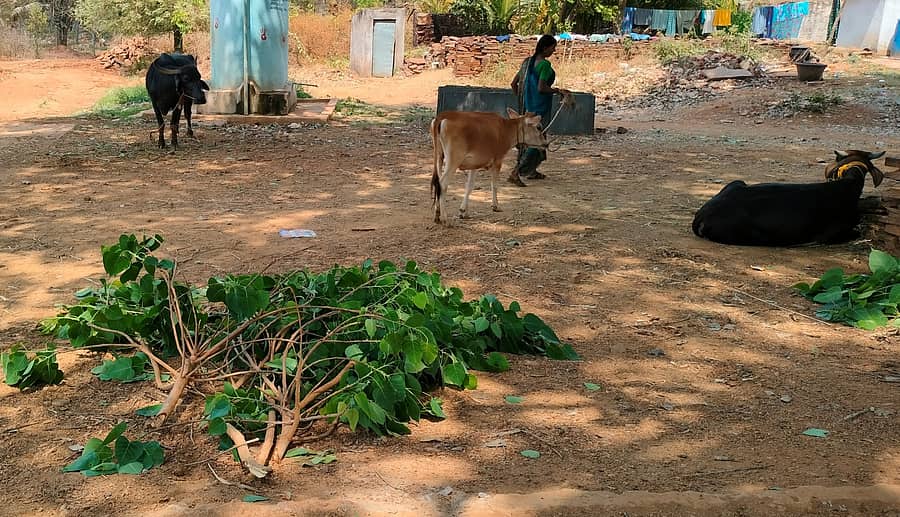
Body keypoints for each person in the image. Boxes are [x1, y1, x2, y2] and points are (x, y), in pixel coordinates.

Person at [509, 34, 569, 186]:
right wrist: (557, 91)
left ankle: (531, 170)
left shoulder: (527, 63)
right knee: (537, 141)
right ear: (545, 47)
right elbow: (541, 87)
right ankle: (517, 171)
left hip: (528, 107)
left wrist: (523, 99)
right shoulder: (544, 65)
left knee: (528, 139)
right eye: (552, 48)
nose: (553, 51)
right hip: (540, 107)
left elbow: (513, 84)